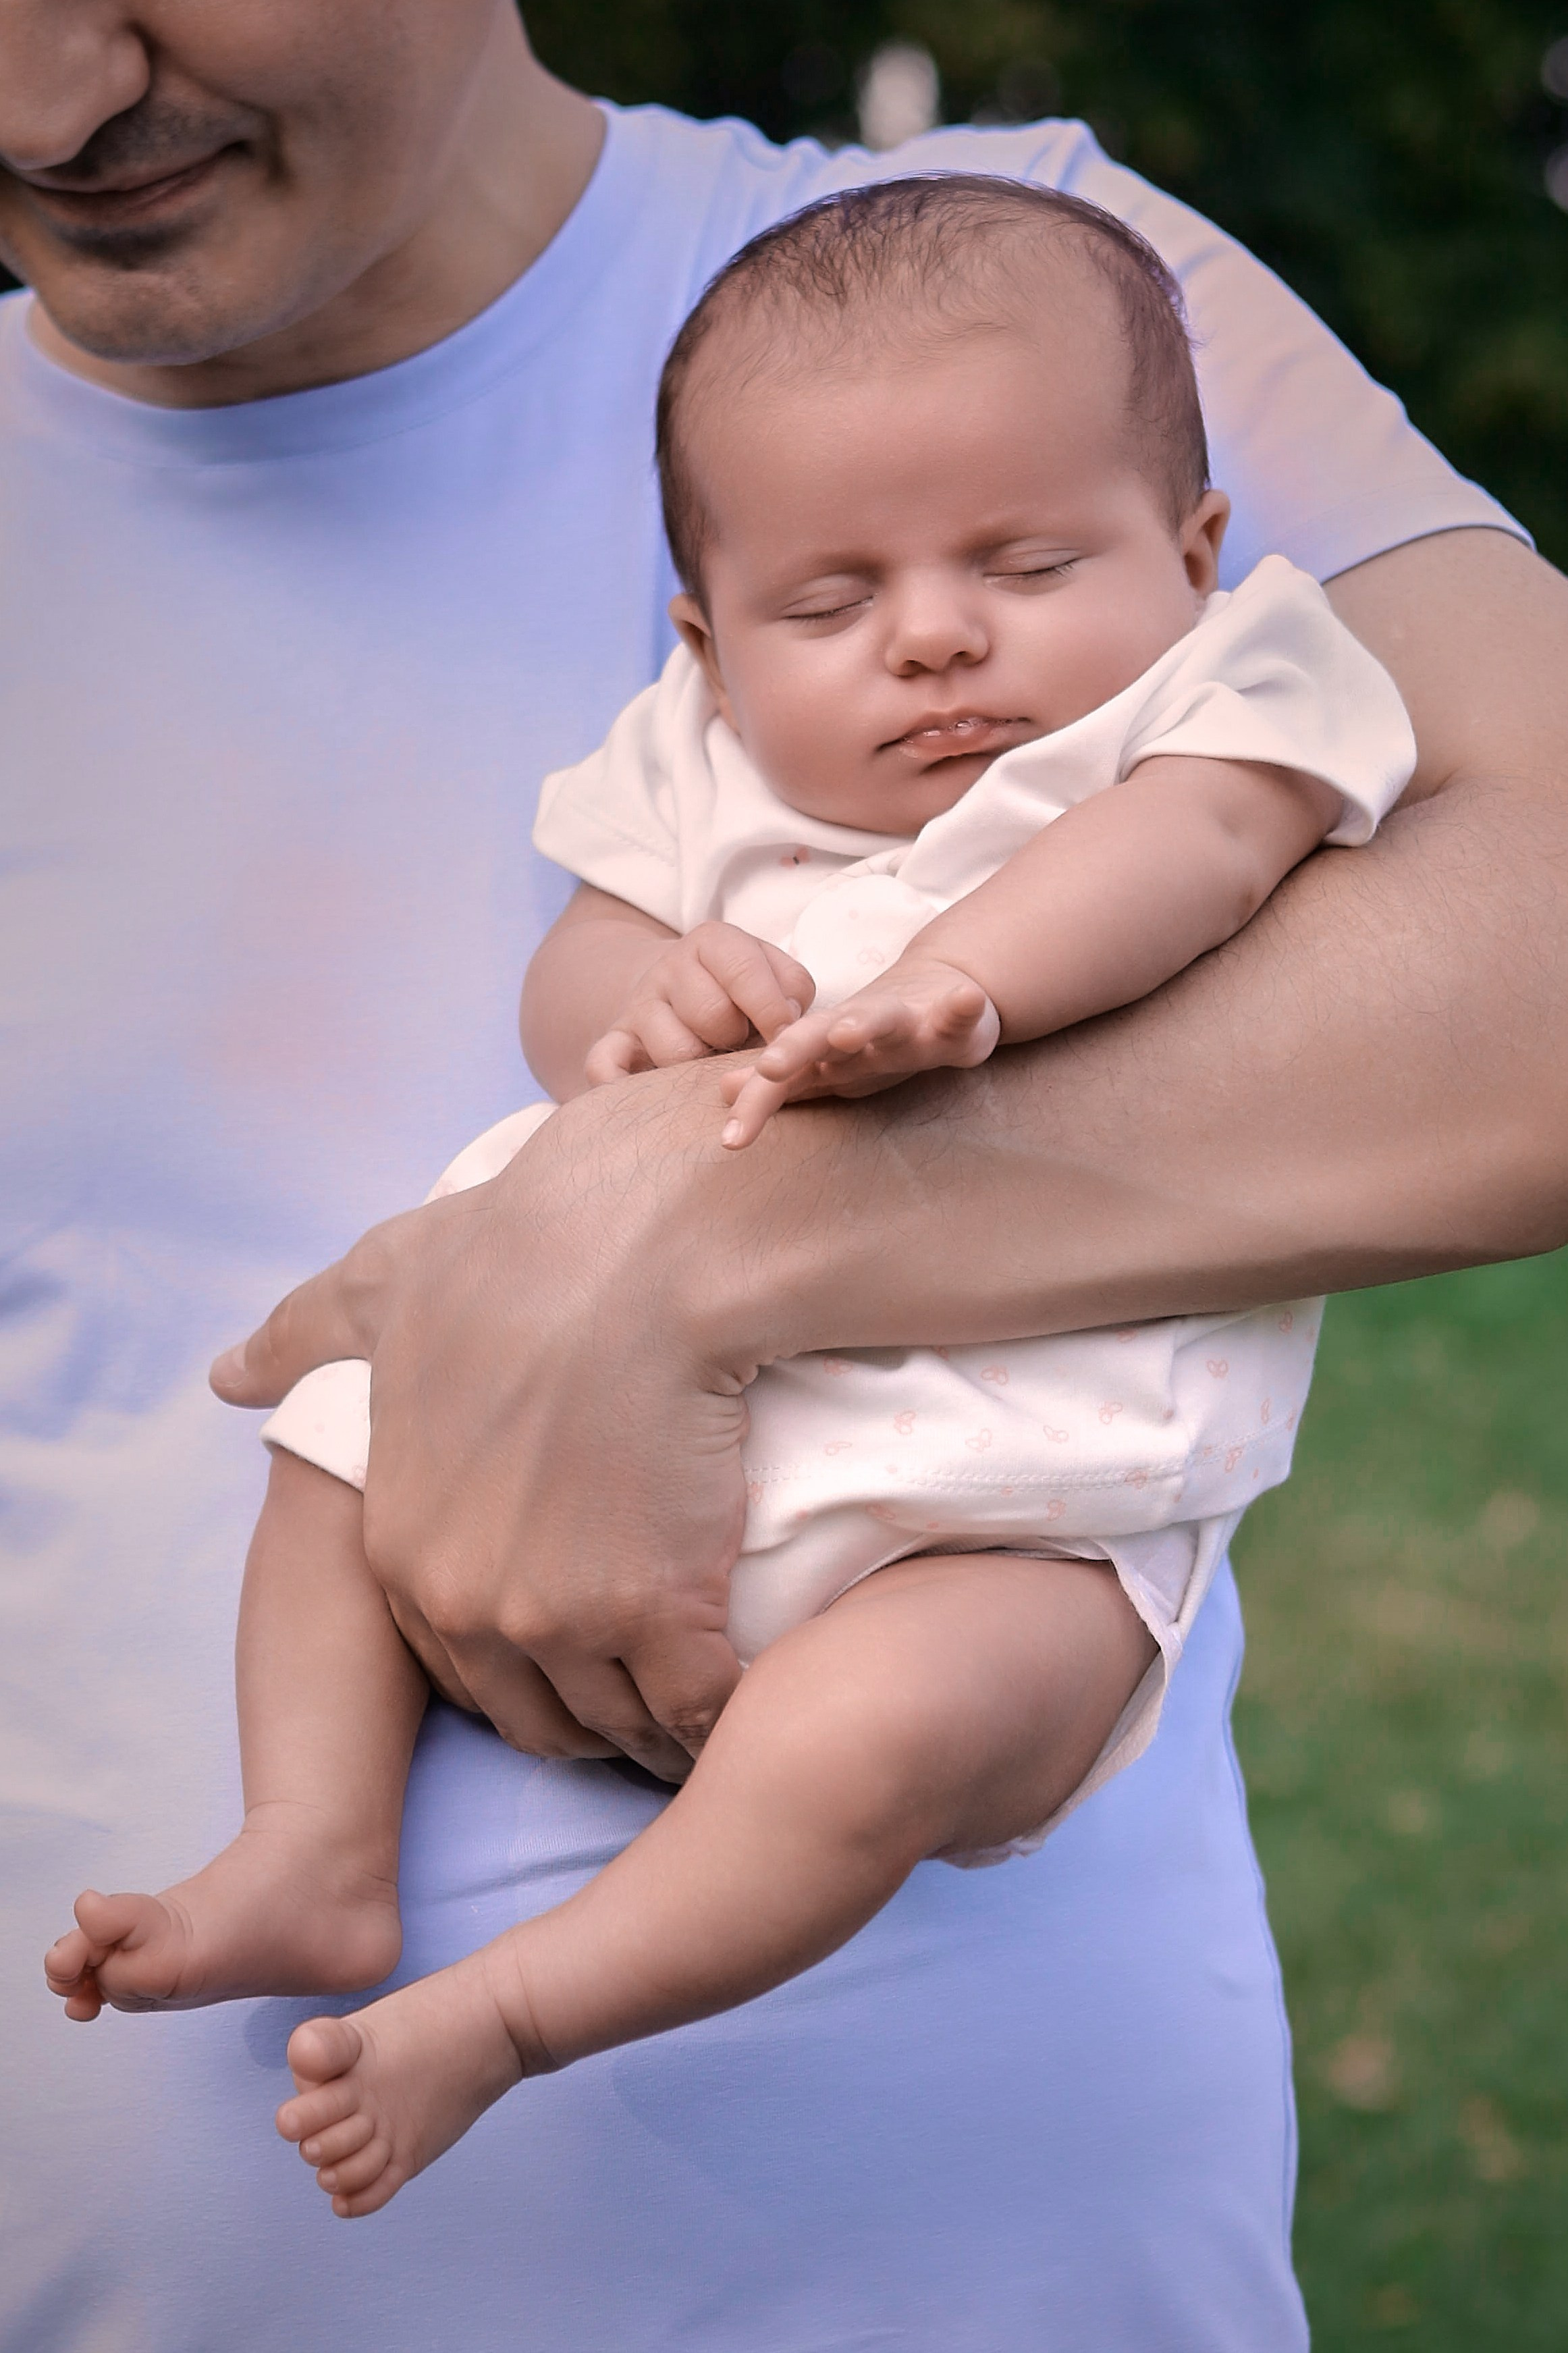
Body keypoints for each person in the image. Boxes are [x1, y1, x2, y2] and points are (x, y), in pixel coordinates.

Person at [4, 1, 1564, 2343]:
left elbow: (1323, 873)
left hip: (975, 2099)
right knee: (316, 1444)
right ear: (711, 633)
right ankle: (310, 1852)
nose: (45, 98)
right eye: (828, 607)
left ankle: (528, 2001)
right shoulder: (705, 742)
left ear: (1188, 546)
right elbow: (590, 958)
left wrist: (707, 1214)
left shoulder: (1052, 314)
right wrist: (640, 1029)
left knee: (885, 1724)